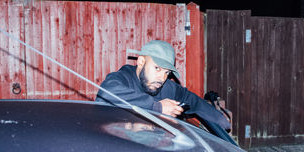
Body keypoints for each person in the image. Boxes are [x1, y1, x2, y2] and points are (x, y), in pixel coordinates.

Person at [95, 40, 230, 130]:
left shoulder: (166, 87)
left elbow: (192, 100)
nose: (162, 78)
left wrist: (221, 121)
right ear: (141, 62)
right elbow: (106, 92)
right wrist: (157, 107)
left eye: (167, 72)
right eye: (157, 68)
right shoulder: (122, 78)